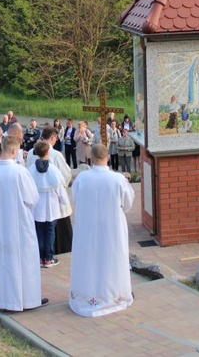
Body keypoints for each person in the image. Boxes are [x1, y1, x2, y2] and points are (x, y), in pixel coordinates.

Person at [69, 144, 134, 317]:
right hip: (112, 228)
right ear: (107, 157)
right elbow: (127, 203)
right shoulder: (118, 179)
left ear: (91, 157)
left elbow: (75, 199)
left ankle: (87, 296)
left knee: (89, 260)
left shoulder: (82, 178)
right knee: (112, 259)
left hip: (87, 228)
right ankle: (115, 296)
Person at [0, 136, 47, 311]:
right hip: (19, 225)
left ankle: (4, 301)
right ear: (13, 150)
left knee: (1, 262)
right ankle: (27, 300)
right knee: (24, 263)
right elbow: (33, 199)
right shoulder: (20, 172)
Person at [27, 127, 73, 255]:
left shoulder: (31, 152)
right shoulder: (56, 155)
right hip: (54, 198)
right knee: (52, 228)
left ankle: (41, 254)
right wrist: (62, 188)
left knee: (40, 228)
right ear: (53, 138)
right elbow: (66, 174)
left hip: (36, 197)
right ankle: (51, 253)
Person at [29, 141, 68, 268]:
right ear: (48, 152)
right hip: (51, 205)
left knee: (39, 231)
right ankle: (49, 258)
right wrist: (64, 202)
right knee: (50, 231)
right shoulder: (53, 169)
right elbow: (60, 188)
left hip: (37, 206)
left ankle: (40, 257)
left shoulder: (31, 169)